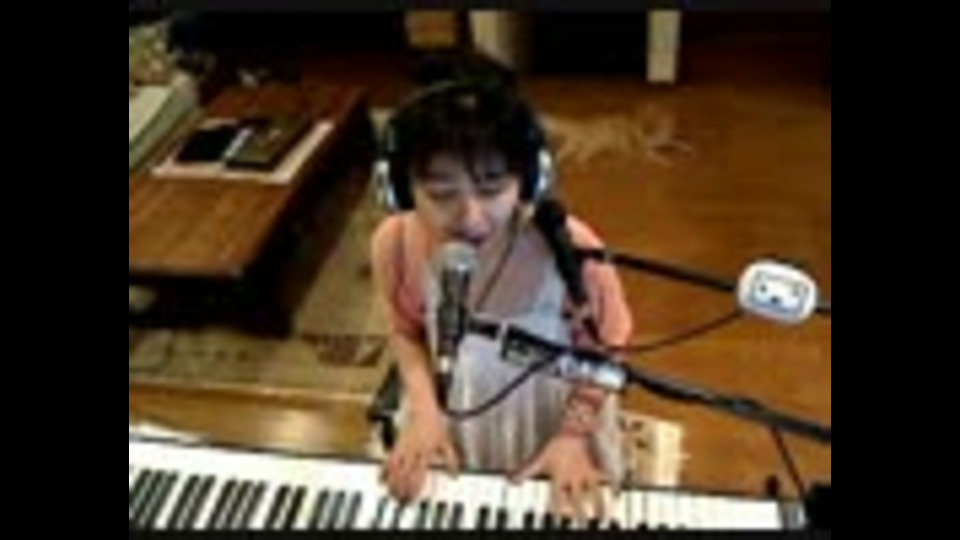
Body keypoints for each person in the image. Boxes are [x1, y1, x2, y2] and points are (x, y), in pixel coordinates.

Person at [368, 78, 634, 522]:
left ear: (529, 179)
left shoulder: (572, 251)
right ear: (398, 189)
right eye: (441, 194)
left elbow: (608, 352)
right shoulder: (394, 245)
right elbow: (405, 332)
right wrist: (425, 412)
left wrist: (572, 436)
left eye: (492, 187)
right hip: (449, 401)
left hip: (552, 414)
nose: (472, 218)